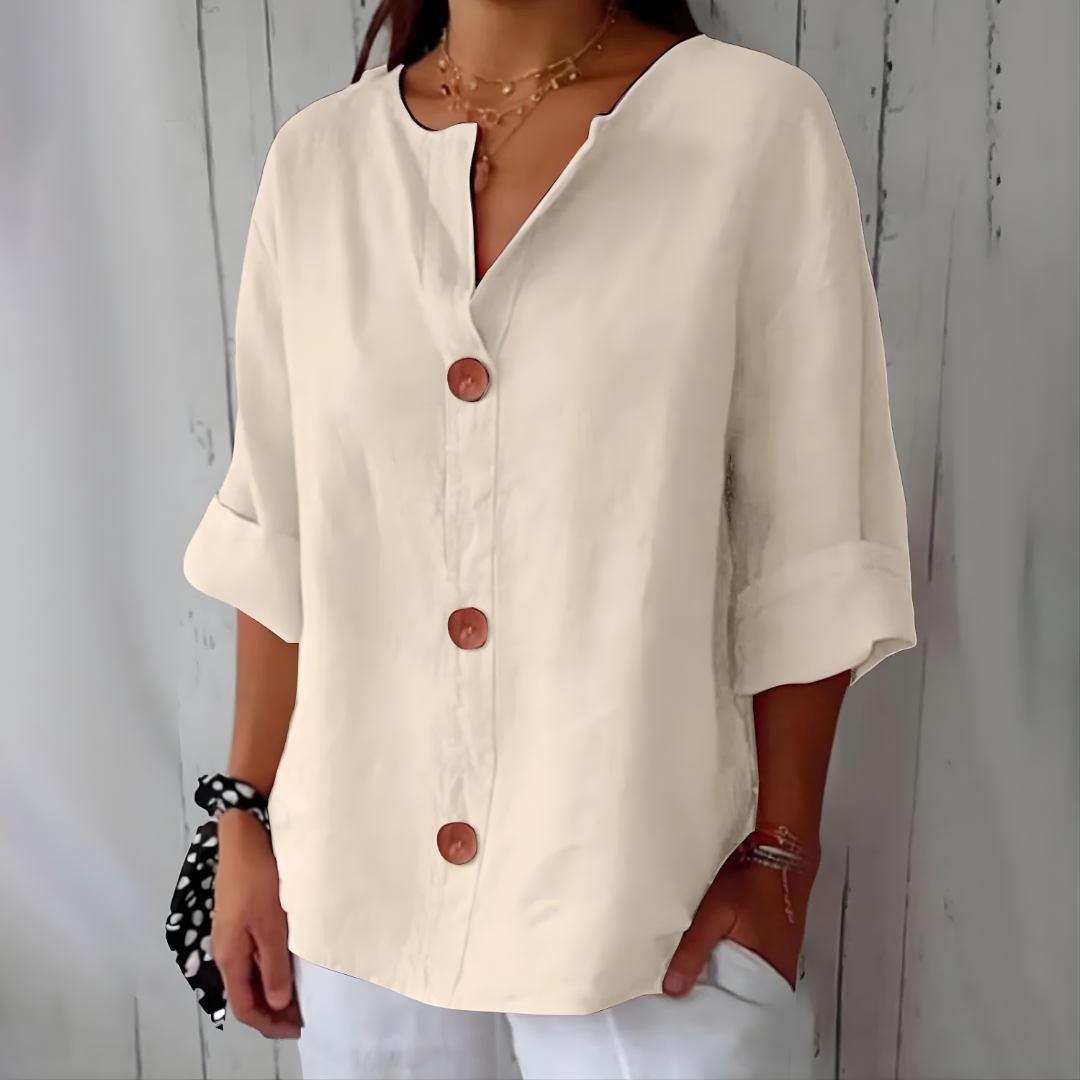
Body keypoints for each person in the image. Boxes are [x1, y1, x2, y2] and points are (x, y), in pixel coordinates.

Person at [180, 0, 918, 1076]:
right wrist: (242, 815)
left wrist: (781, 858)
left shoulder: (751, 128)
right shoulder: (319, 165)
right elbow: (279, 526)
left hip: (649, 912)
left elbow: (809, 537)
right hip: (358, 903)